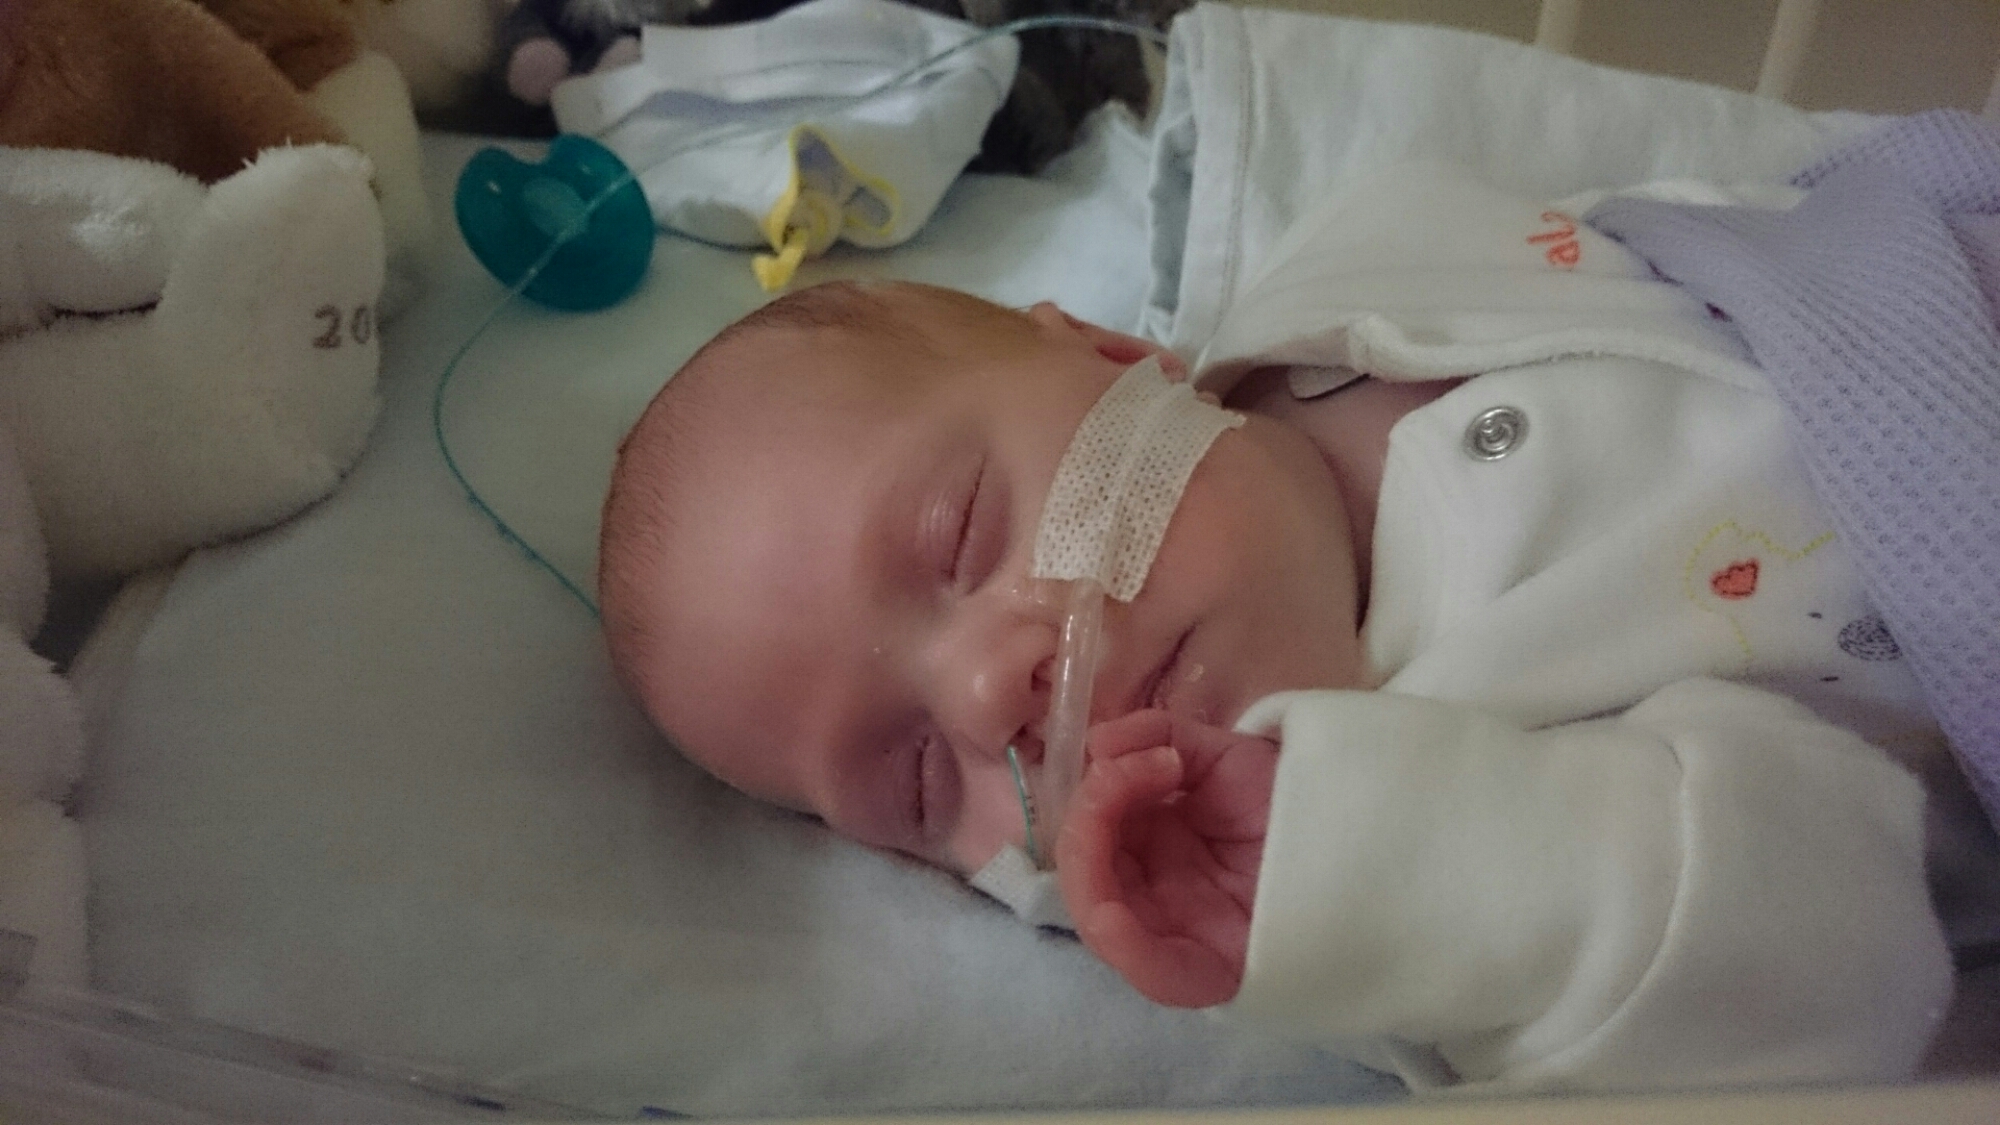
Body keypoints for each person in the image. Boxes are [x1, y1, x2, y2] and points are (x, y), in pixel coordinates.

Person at [597, 162, 1995, 1092]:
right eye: (914, 781)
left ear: (1116, 354)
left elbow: (1724, 214)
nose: (981, 699)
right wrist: (1390, 875)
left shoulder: (1358, 263)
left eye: (962, 531)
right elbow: (1844, 973)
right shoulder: (1369, 876)